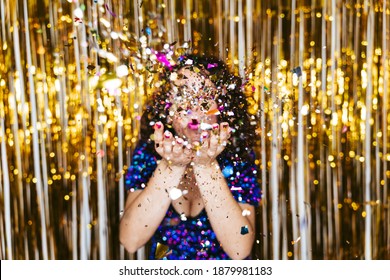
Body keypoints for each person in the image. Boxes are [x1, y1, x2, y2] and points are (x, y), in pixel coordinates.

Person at [119, 53, 261, 260]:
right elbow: (130, 240)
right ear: (168, 109)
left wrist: (206, 166)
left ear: (222, 106)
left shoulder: (238, 157)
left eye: (205, 97)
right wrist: (171, 167)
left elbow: (240, 249)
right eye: (184, 97)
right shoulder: (150, 153)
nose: (195, 110)